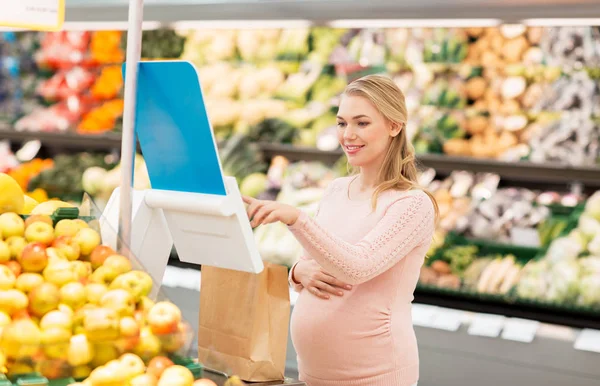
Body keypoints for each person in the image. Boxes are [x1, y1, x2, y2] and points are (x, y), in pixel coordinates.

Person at [242, 74, 438, 386]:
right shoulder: (336, 189)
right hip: (314, 374)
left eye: (362, 123)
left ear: (394, 126)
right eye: (342, 123)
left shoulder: (412, 204)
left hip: (377, 376)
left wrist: (297, 219)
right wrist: (297, 273)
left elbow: (357, 266)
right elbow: (312, 259)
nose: (348, 135)